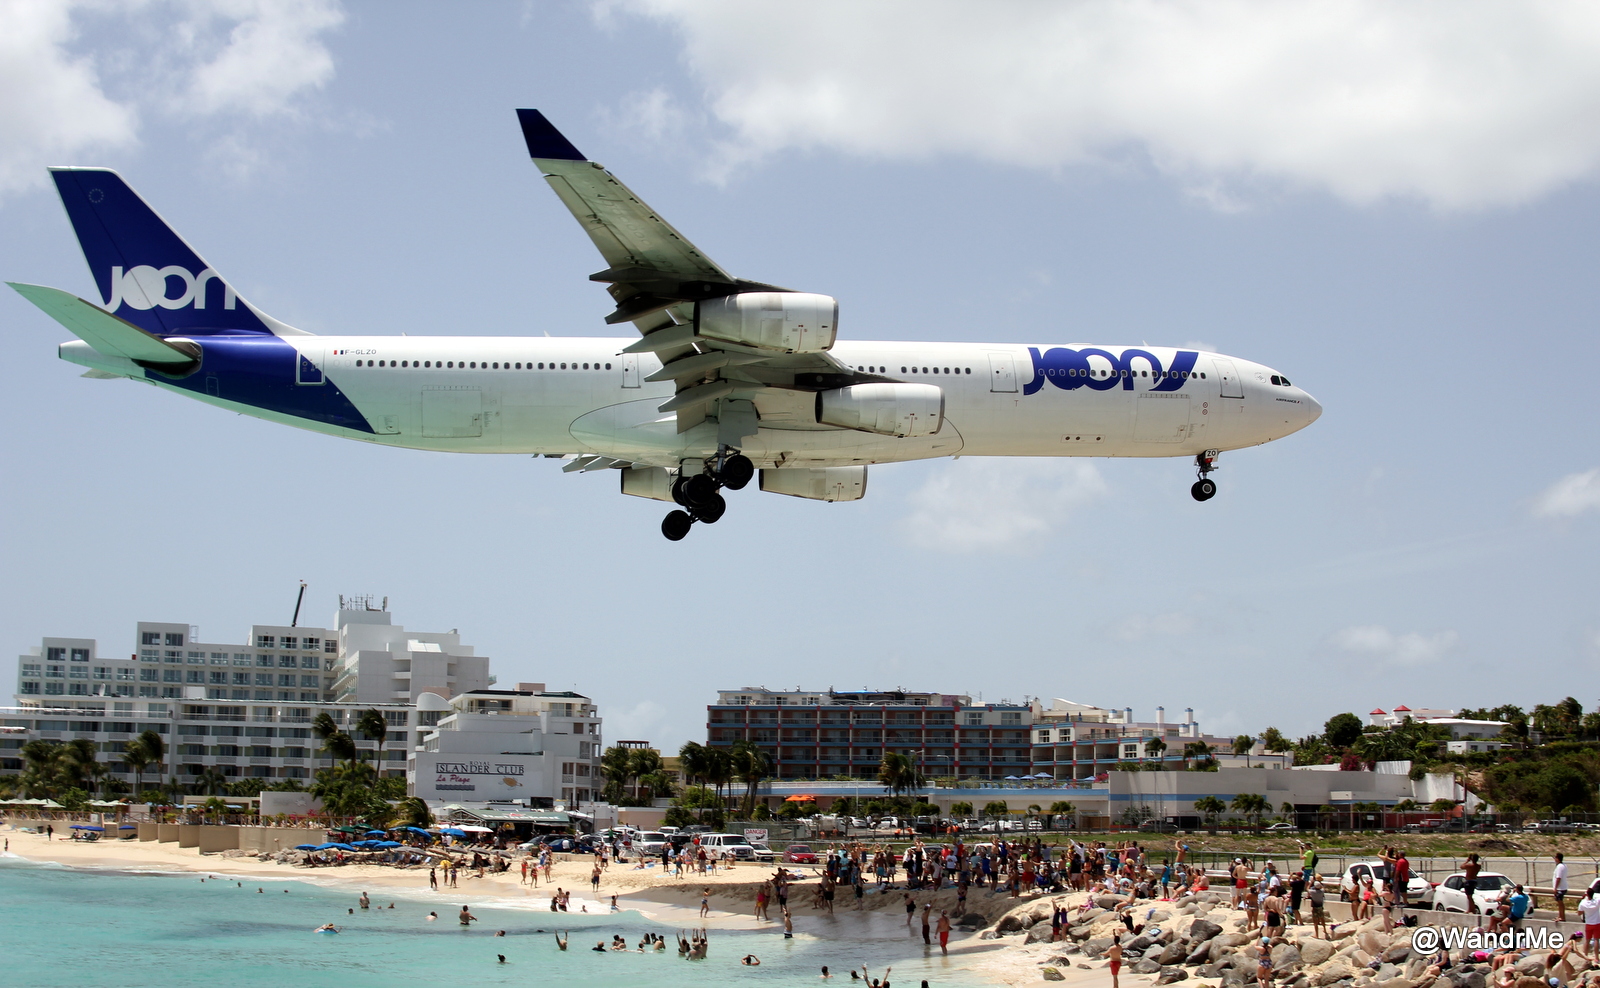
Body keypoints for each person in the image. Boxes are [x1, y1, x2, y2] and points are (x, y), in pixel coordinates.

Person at [1578, 885, 1600, 962]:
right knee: (1596, 939)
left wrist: (1584, 898)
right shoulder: (1597, 901)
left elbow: (1579, 913)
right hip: (1597, 923)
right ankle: (1596, 957)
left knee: (1587, 940)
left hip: (1589, 923)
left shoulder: (1583, 903)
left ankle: (1585, 956)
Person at [1554, 854, 1570, 923]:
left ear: (1557, 858)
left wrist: (1555, 887)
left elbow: (1558, 878)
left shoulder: (1560, 867)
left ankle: (1562, 917)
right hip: (1562, 887)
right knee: (1559, 902)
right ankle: (1560, 915)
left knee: (1560, 902)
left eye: (1555, 857)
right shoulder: (1563, 865)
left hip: (1560, 888)